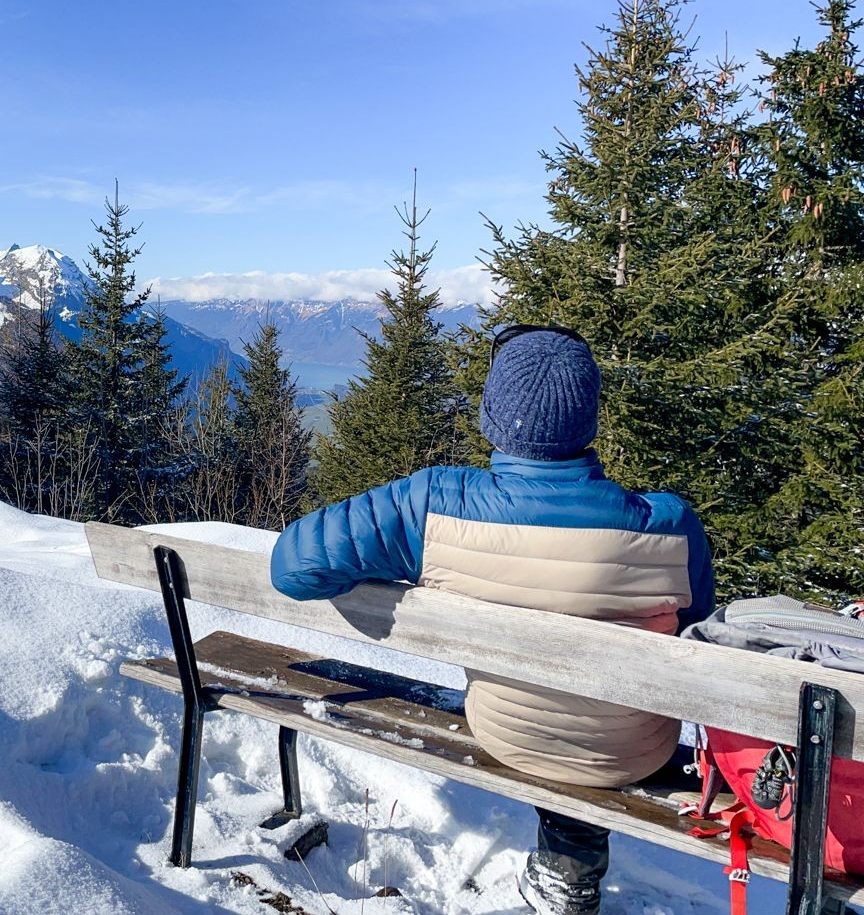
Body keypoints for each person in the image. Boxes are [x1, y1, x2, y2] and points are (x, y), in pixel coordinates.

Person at [271, 326, 714, 915]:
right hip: (633, 751)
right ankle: (570, 867)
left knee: (545, 694)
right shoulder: (668, 526)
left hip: (503, 728)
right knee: (592, 704)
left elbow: (293, 568)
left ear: (492, 415)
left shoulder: (434, 504)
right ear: (589, 422)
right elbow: (697, 631)